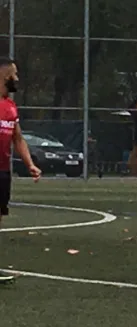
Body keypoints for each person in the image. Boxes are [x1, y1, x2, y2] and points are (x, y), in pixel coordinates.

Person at [0, 57, 41, 282]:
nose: (17, 79)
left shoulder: (10, 106)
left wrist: (30, 165)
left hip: (3, 170)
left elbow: (18, 138)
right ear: (6, 76)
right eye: (15, 75)